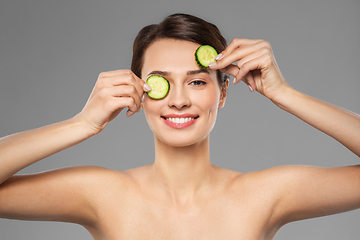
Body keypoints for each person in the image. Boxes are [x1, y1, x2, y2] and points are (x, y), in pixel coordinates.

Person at [0, 13, 359, 240]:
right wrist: (82, 124)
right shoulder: (103, 195)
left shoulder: (264, 195)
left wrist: (284, 93)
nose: (178, 100)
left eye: (197, 82)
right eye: (160, 81)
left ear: (222, 93)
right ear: (138, 93)